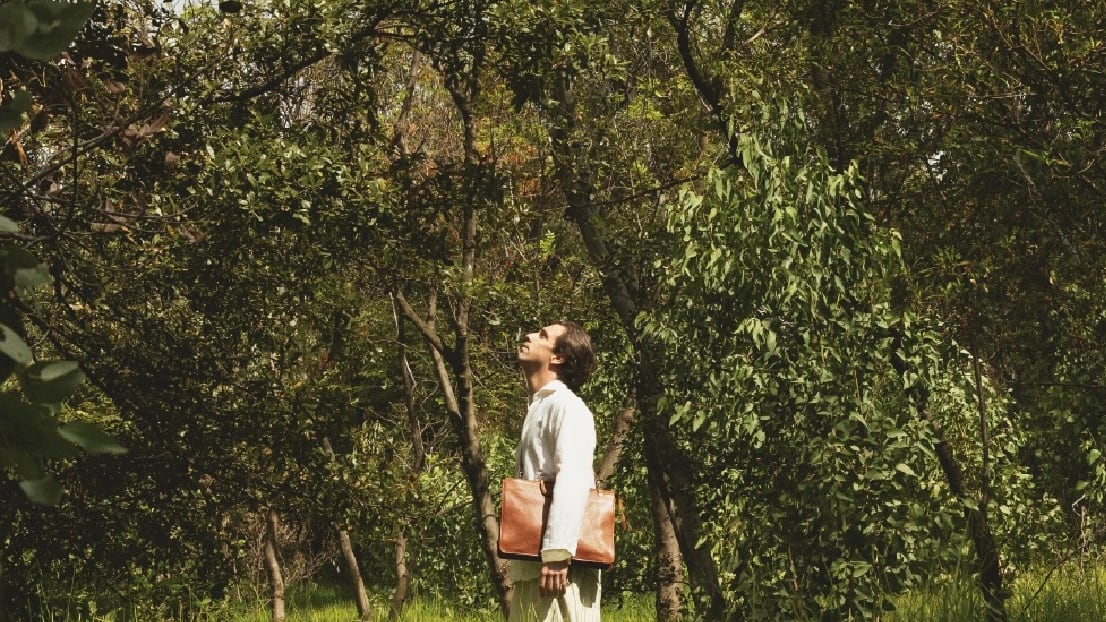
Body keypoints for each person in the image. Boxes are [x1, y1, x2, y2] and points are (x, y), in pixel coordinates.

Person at [510, 320, 601, 622]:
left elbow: (574, 479)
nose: (529, 335)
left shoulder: (567, 408)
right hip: (535, 566)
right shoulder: (540, 408)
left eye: (543, 335)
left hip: (560, 570)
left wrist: (558, 553)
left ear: (559, 357)